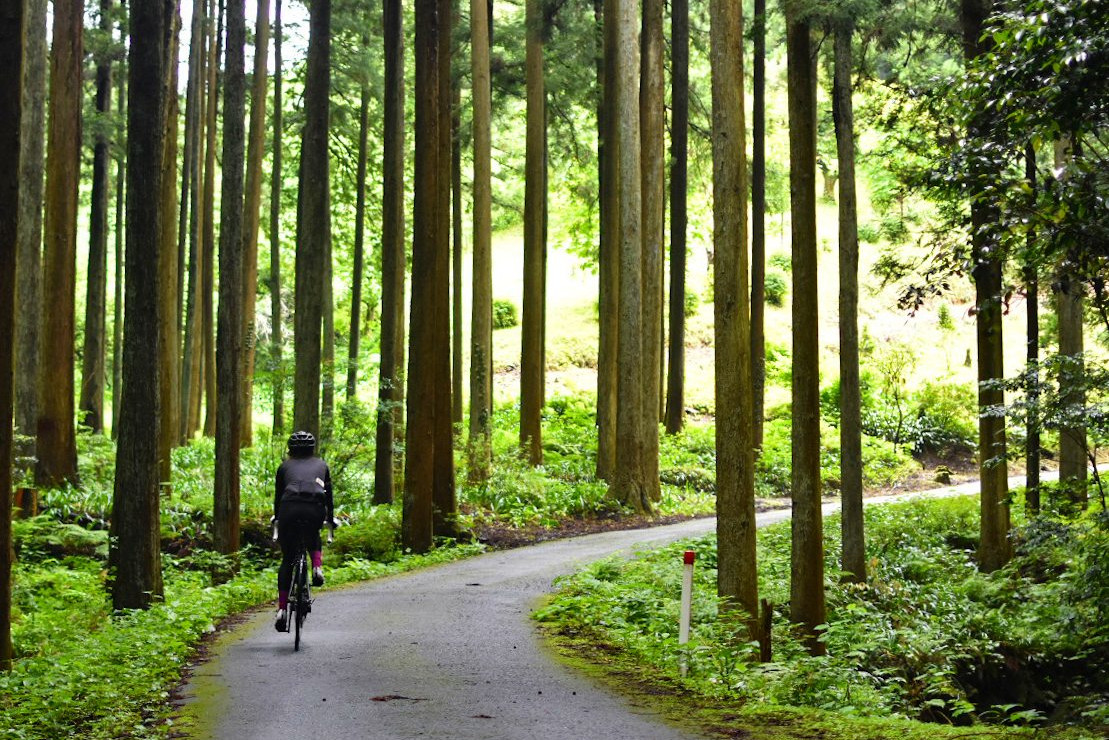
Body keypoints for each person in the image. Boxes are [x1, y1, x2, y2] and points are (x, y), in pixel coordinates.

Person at [273, 430, 335, 632]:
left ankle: (282, 609)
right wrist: (330, 519)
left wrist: (277, 518)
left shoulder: (284, 467)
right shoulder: (322, 465)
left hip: (289, 509)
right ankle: (317, 567)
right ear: (312, 448)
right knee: (313, 534)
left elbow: (278, 497)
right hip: (314, 508)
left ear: (290, 449)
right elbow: (329, 497)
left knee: (287, 560)